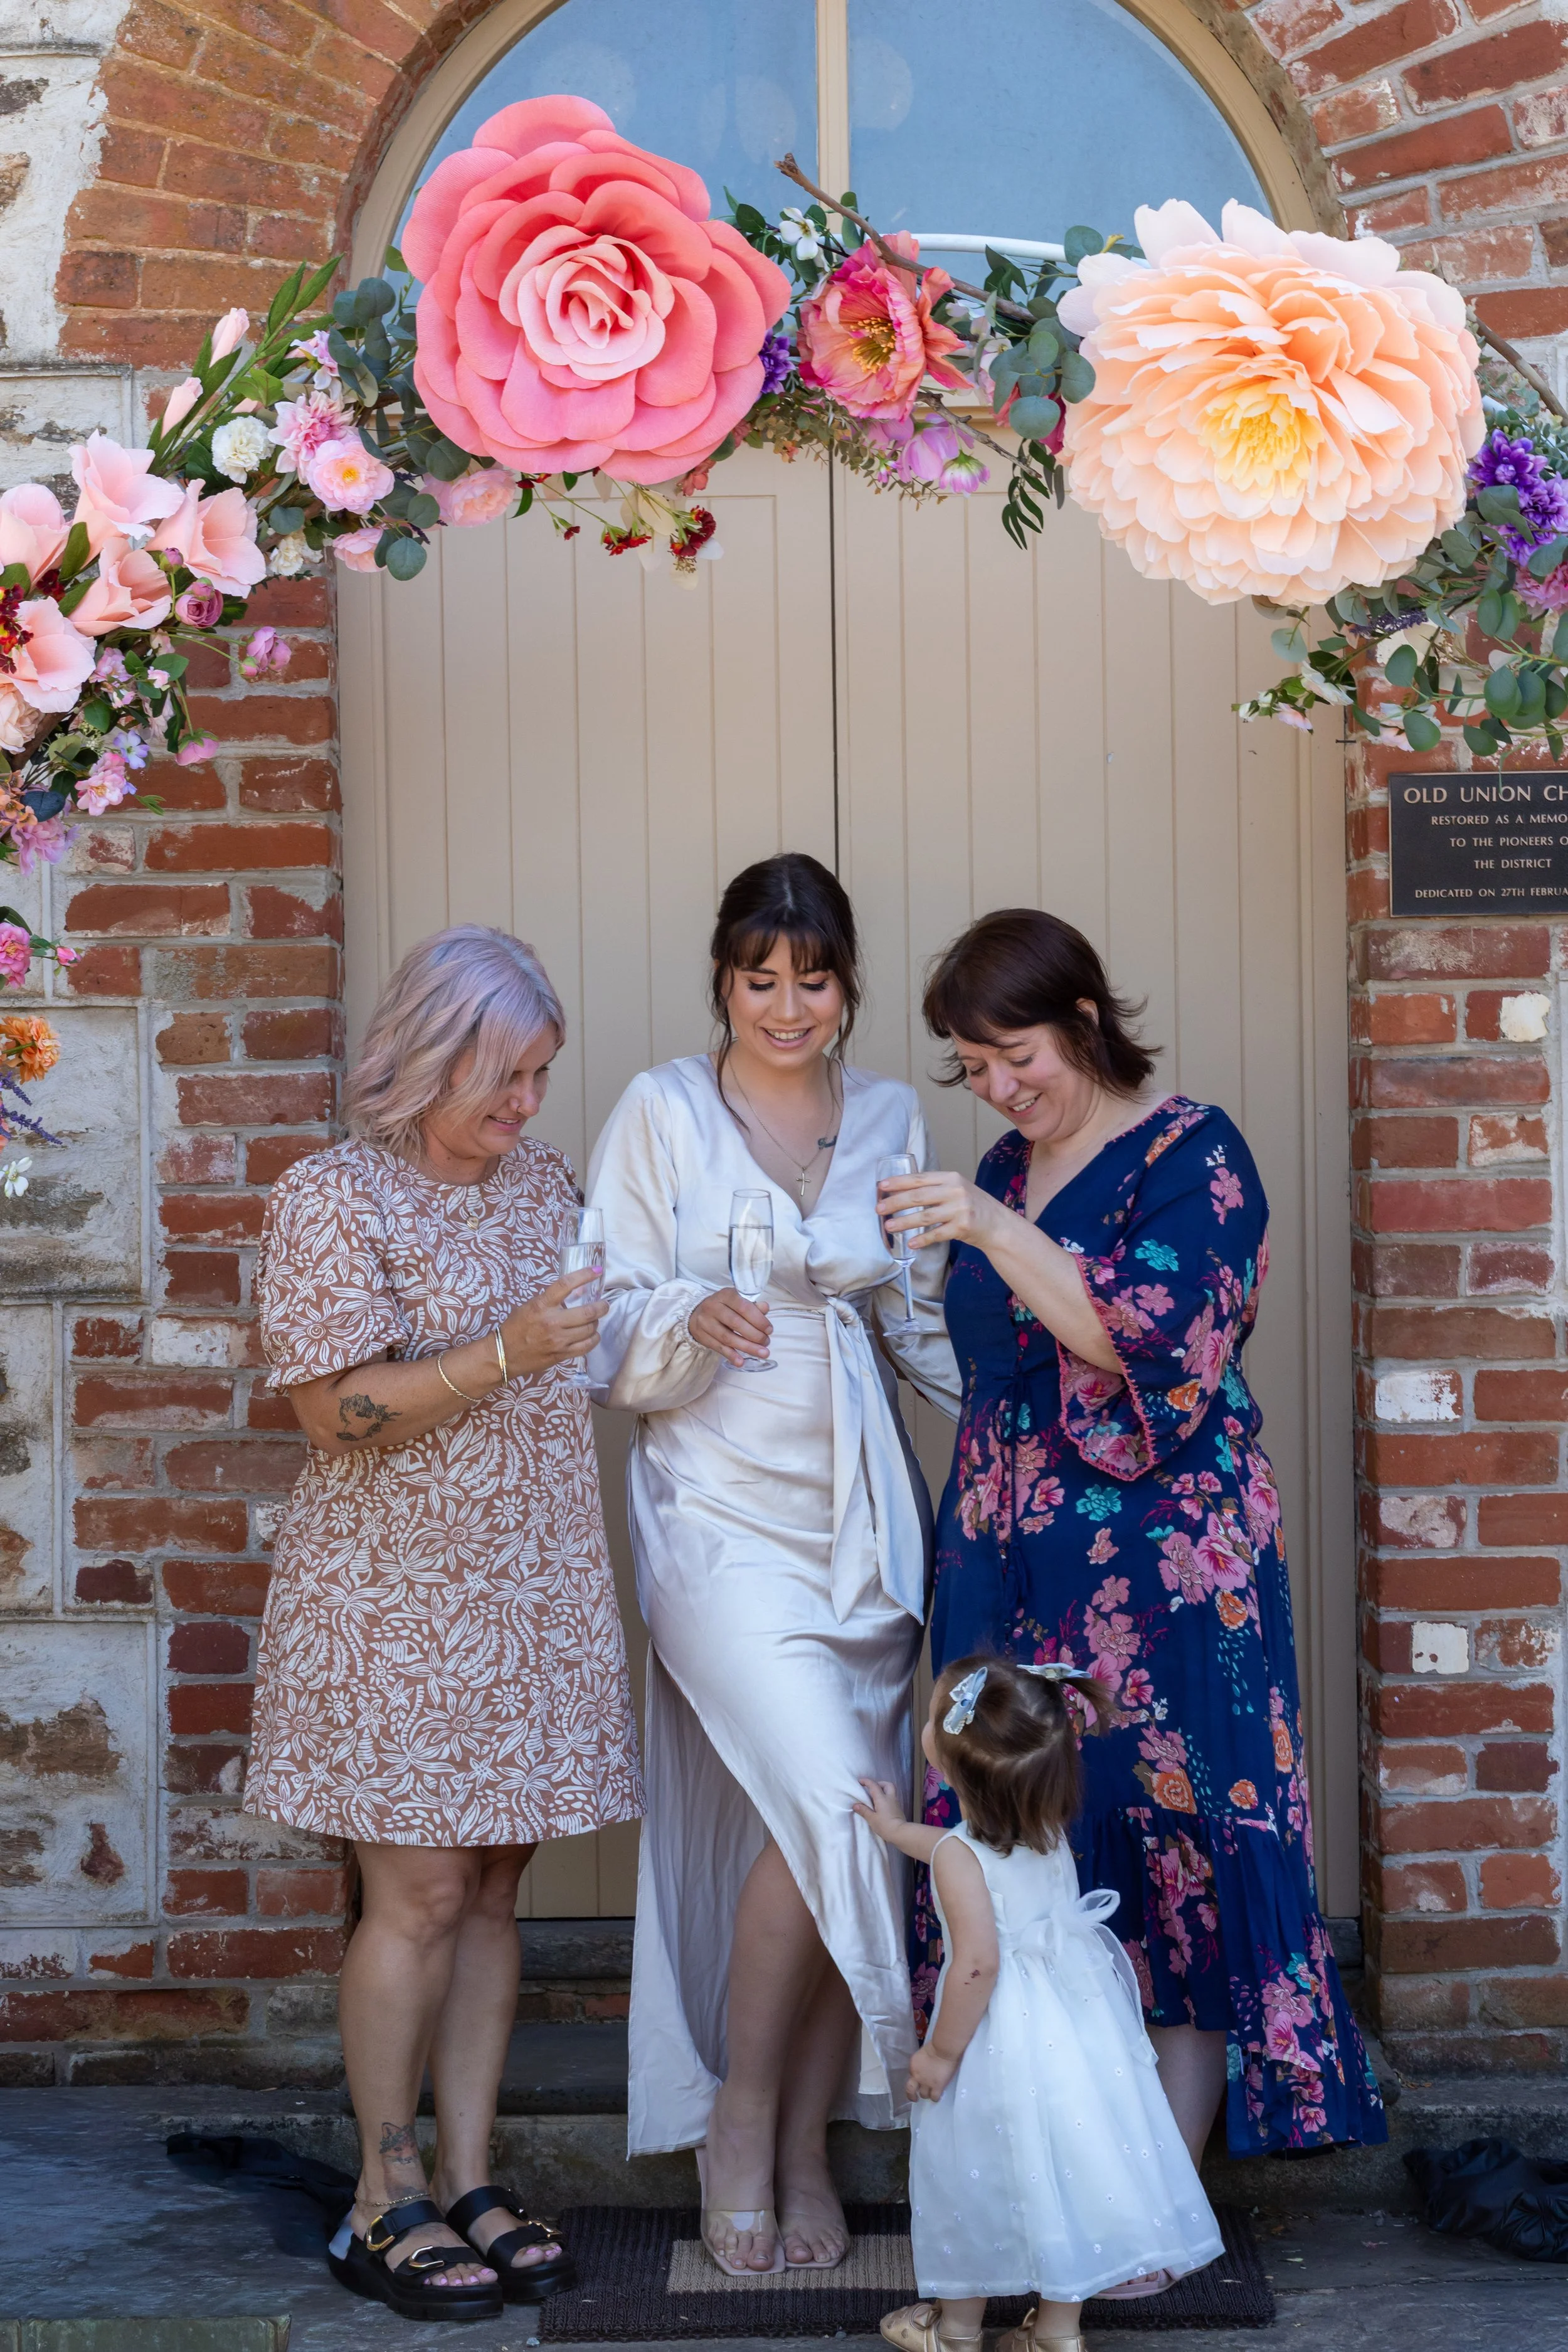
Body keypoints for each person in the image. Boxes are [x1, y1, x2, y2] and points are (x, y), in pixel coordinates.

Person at [877, 908, 1384, 2246]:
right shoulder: (1006, 1163)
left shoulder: (1189, 1153)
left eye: (1014, 1055)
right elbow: (985, 1363)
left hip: (1167, 1569)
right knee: (1029, 1846)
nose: (997, 1089)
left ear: (1085, 1022)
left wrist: (988, 1223)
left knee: (1177, 1844)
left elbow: (1141, 1340)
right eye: (972, 1067)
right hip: (1007, 1558)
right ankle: (1047, 2193)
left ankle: (1148, 2208)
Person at [248, 924, 644, 2325]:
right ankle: (381, 2192)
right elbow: (326, 1412)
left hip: (532, 1586)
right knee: (412, 1894)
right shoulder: (331, 1198)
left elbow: (600, 1352)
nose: (525, 1105)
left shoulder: (547, 1184)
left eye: (540, 1073)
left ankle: (472, 2180)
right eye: (502, 1075)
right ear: (426, 1056)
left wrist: (683, 1327)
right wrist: (502, 1353)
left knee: (489, 1893)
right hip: (394, 1603)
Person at [585, 852, 960, 2276]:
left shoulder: (894, 1115)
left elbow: (927, 1322)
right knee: (825, 1793)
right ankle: (734, 2118)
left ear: (846, 980)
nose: (788, 1002)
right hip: (716, 1514)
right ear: (724, 979)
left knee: (839, 1829)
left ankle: (808, 2142)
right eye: (761, 975)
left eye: (813, 976)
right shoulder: (663, 1109)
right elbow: (607, 1315)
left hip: (862, 1521)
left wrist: (1022, 1409)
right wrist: (693, 1315)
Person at [857, 1654, 1223, 2352]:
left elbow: (976, 1966)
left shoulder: (961, 1861)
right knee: (1067, 2175)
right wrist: (896, 1833)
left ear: (942, 1756)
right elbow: (956, 1851)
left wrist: (938, 2054)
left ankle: (957, 2329)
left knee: (973, 2176)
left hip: (997, 2043)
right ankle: (1056, 2334)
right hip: (1074, 2032)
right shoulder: (1045, 1830)